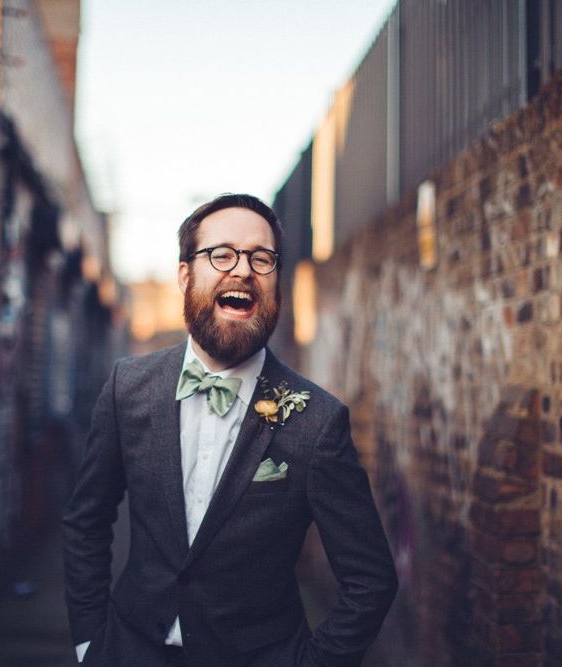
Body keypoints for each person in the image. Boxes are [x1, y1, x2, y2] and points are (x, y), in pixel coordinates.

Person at [62, 193, 398, 666]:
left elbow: (371, 579)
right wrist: (90, 643)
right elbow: (86, 523)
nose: (242, 269)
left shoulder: (317, 423)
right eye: (221, 254)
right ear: (185, 275)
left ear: (275, 280)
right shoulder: (127, 388)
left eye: (261, 258)